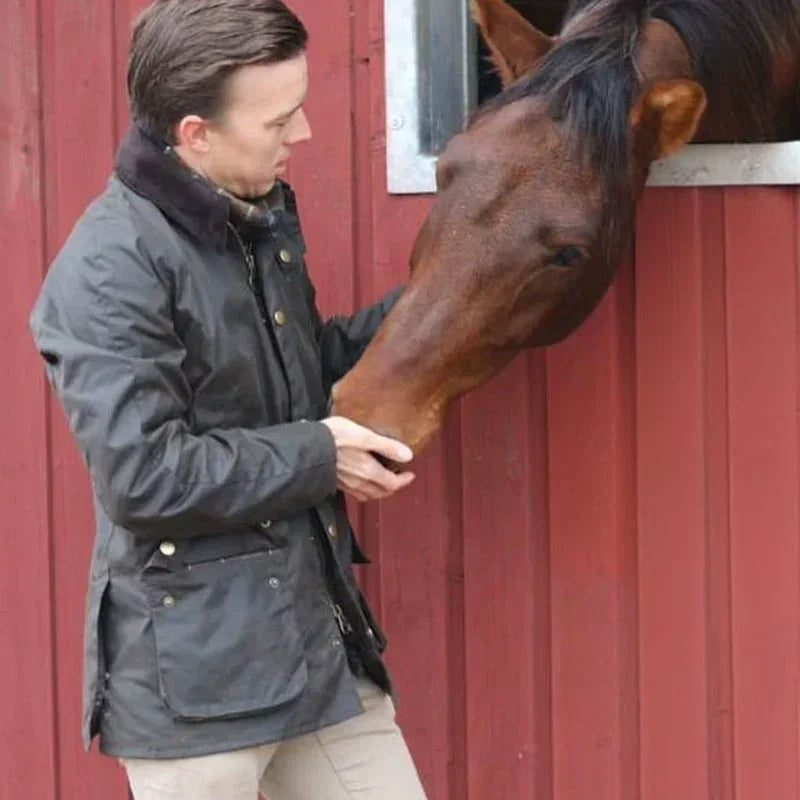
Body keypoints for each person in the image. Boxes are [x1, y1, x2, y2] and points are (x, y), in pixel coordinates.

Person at [28, 1, 429, 798]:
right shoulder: (111, 266)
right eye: (279, 118)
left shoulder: (254, 215)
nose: (304, 133)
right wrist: (323, 453)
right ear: (194, 135)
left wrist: (445, 302)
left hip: (316, 652)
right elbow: (145, 476)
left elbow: (299, 380)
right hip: (197, 696)